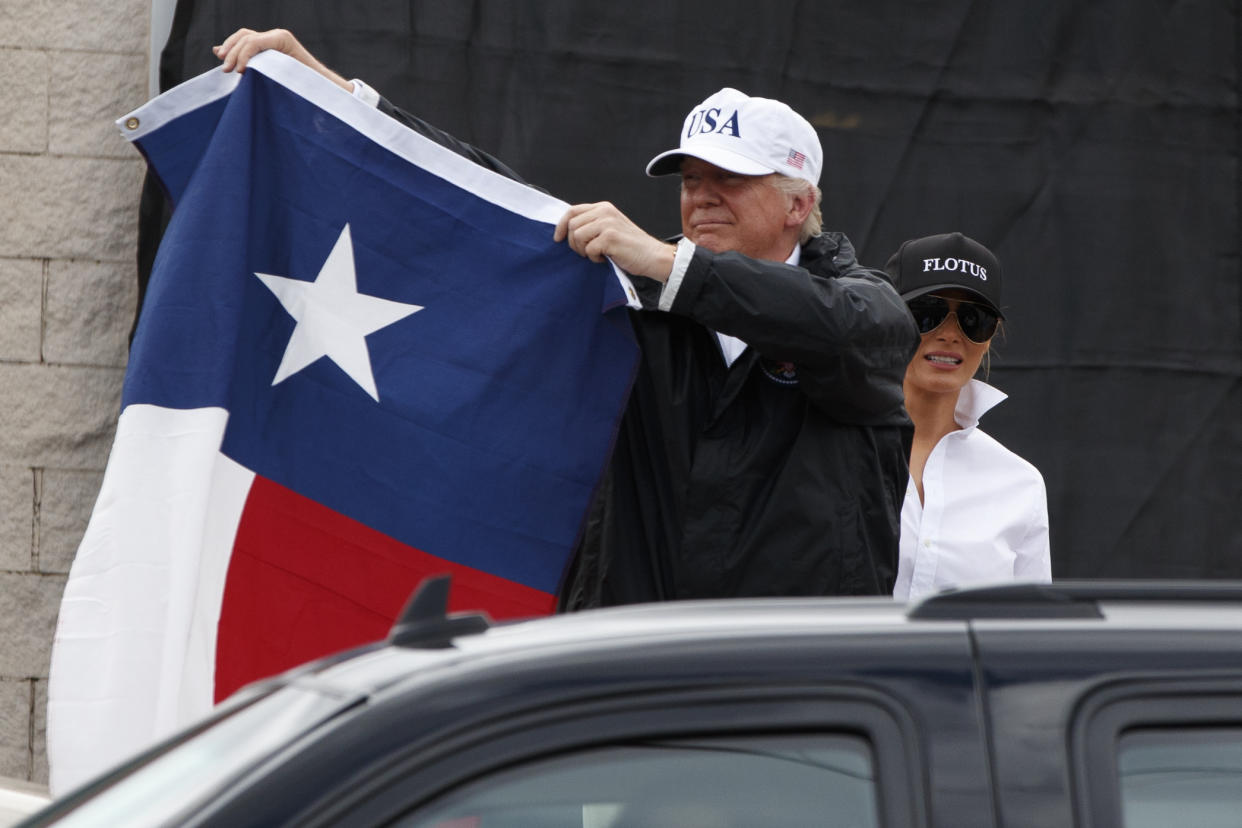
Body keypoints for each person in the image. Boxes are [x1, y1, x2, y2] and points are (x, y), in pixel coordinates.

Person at [214, 29, 919, 606]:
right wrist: (336, 95)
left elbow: (845, 328)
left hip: (795, 698)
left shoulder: (860, 309)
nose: (701, 197)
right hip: (625, 685)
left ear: (799, 203)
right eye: (691, 180)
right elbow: (487, 200)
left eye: (729, 179)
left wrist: (669, 268)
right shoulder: (634, 292)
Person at [884, 232, 1050, 600]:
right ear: (888, 317)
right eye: (927, 313)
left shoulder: (1020, 485)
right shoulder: (836, 449)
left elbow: (1029, 636)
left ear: (991, 336)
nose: (949, 335)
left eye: (973, 319)